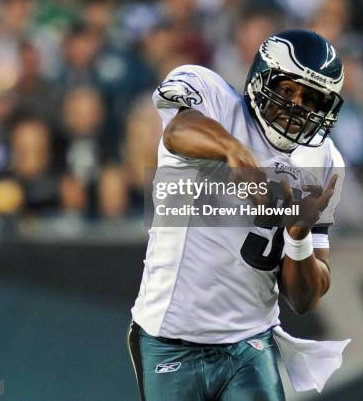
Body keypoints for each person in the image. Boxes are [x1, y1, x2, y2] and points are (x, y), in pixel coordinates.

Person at [128, 28, 350, 400]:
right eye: (288, 89)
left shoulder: (322, 159)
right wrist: (235, 152)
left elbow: (304, 299)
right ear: (260, 79)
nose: (297, 106)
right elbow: (177, 131)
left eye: (312, 99)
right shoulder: (214, 97)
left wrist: (298, 239)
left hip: (251, 342)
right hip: (170, 337)